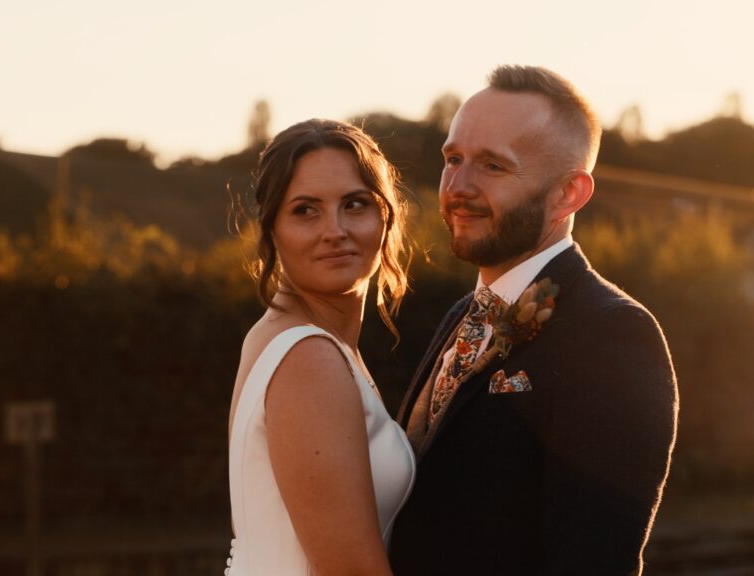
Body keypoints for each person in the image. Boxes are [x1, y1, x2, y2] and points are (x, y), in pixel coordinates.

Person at [389, 65, 679, 575]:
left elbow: (593, 562)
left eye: (493, 166)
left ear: (569, 193)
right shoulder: (462, 316)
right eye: (452, 159)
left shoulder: (613, 335)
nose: (457, 186)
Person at [226, 119, 415, 575]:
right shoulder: (306, 356)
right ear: (272, 229)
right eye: (305, 210)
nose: (335, 230)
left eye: (355, 204)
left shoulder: (281, 336)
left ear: (386, 217)